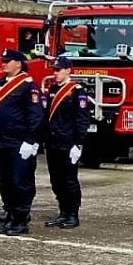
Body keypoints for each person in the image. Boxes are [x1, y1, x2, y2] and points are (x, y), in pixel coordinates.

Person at [0, 49, 44, 236]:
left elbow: (36, 116)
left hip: (19, 142)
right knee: (5, 181)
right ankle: (11, 215)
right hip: (1, 141)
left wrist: (30, 141)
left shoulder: (28, 86)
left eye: (8, 61)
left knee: (20, 181)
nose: (3, 64)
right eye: (3, 61)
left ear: (18, 64)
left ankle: (21, 219)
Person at [43, 57, 94, 229]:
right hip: (53, 142)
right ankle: (63, 211)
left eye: (58, 70)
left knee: (69, 180)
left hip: (68, 142)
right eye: (54, 70)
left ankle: (73, 214)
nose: (55, 73)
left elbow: (82, 119)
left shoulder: (76, 91)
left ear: (67, 70)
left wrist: (78, 143)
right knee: (56, 180)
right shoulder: (52, 89)